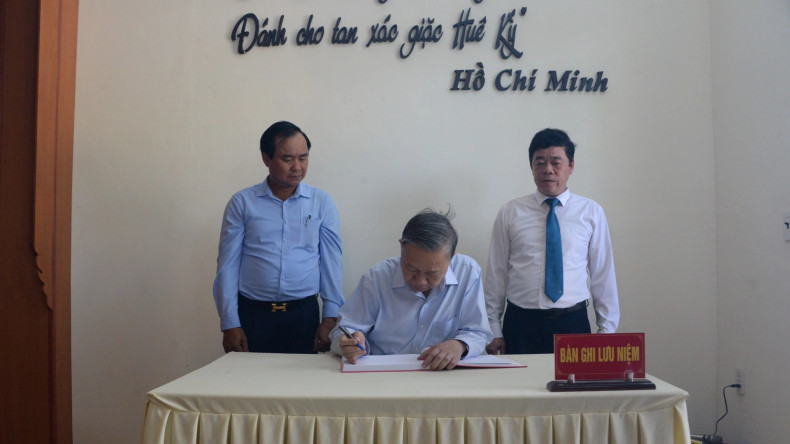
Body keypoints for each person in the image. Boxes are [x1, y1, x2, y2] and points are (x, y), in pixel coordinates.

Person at [485, 128, 619, 355]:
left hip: (572, 323)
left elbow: (602, 275)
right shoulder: (510, 212)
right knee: (519, 388)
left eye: (556, 162)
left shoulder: (591, 212)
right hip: (520, 323)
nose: (548, 170)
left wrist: (606, 331)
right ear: (531, 167)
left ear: (571, 166)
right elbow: (496, 274)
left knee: (572, 389)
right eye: (540, 162)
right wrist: (493, 329)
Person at [213, 121, 343, 354]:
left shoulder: (321, 202)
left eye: (303, 158)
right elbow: (228, 265)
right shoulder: (242, 203)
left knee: (302, 387)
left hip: (304, 316)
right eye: (287, 159)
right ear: (266, 159)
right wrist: (230, 322)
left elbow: (332, 262)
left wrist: (330, 317)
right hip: (253, 315)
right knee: (251, 385)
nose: (297, 167)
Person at [330, 209, 493, 371]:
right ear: (401, 246)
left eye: (432, 273)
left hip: (442, 376)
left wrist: (459, 345)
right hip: (383, 376)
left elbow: (479, 333)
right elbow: (343, 330)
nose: (421, 282)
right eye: (411, 268)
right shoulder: (377, 278)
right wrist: (348, 343)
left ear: (451, 258)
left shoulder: (468, 273)